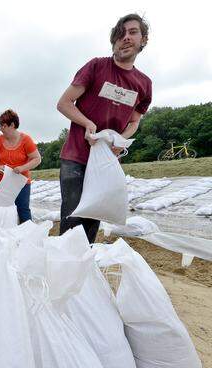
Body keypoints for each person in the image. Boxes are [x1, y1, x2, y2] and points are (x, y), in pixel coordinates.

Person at [57, 13, 152, 243]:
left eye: (132, 32)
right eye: (121, 34)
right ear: (114, 41)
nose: (125, 38)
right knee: (73, 221)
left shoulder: (144, 84)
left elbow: (134, 123)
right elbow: (64, 103)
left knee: (92, 222)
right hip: (77, 158)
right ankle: (62, 272)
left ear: (143, 40)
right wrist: (88, 123)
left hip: (105, 162)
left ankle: (82, 270)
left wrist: (120, 140)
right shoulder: (97, 66)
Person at [0, 109, 41, 223]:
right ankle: (4, 237)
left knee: (23, 211)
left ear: (12, 125)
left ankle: (28, 236)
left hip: (21, 183)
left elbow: (37, 159)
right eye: (0, 125)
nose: (0, 128)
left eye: (3, 125)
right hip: (1, 183)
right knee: (2, 212)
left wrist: (22, 168)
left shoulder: (26, 140)